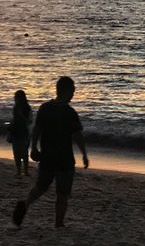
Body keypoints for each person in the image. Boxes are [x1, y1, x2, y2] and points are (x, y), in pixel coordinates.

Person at [12, 76, 88, 229]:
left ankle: (26, 204)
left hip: (47, 156)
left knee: (41, 187)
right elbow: (77, 135)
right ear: (66, 91)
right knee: (62, 193)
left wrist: (33, 147)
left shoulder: (45, 108)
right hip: (64, 158)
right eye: (72, 91)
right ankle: (59, 223)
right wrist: (84, 154)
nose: (73, 94)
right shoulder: (69, 112)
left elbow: (37, 130)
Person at [7, 89, 33, 178]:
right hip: (16, 131)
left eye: (16, 97)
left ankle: (25, 171)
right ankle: (19, 171)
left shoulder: (27, 108)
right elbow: (14, 120)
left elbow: (29, 121)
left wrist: (21, 116)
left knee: (24, 153)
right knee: (17, 153)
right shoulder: (16, 107)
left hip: (24, 132)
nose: (15, 99)